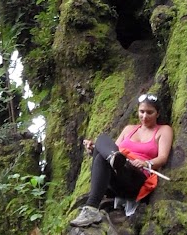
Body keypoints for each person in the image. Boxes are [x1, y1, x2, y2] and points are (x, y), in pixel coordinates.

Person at [72, 92, 173, 226]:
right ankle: (91, 210)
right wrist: (93, 150)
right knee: (102, 141)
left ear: (157, 114)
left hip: (137, 176)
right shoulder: (129, 129)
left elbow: (162, 158)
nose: (144, 116)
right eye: (141, 111)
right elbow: (113, 148)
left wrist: (146, 163)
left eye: (150, 112)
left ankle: (91, 207)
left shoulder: (163, 130)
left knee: (109, 155)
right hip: (118, 172)